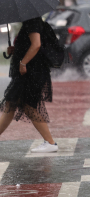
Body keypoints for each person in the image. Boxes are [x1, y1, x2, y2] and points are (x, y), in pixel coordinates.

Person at [0, 17, 58, 153]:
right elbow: (30, 44)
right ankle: (50, 142)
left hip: (31, 73)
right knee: (11, 104)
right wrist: (16, 49)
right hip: (29, 73)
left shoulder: (32, 21)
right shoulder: (30, 22)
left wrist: (23, 62)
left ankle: (50, 142)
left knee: (27, 106)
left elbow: (36, 44)